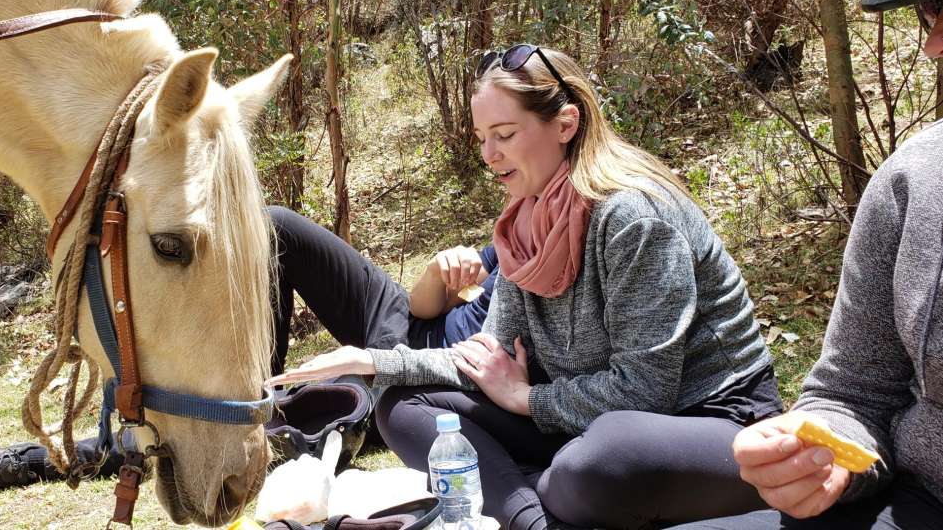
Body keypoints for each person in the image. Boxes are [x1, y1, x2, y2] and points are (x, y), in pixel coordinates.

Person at [268, 44, 782, 530]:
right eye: (482, 138)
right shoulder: (526, 224)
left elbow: (646, 392)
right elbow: (484, 356)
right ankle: (536, 520)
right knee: (403, 404)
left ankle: (541, 494)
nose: (489, 155)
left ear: (565, 123)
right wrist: (374, 362)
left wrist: (525, 398)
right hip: (583, 419)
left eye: (505, 134)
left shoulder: (634, 218)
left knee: (596, 464)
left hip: (708, 420)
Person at [669, 0, 943, 529]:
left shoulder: (634, 218)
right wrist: (823, 455)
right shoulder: (912, 181)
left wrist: (527, 396)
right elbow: (854, 391)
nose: (933, 44)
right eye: (930, 11)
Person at [0, 206, 500, 497]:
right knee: (274, 230)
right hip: (403, 319)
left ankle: (32, 462)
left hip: (431, 377)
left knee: (314, 412)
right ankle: (256, 397)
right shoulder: (520, 224)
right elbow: (427, 308)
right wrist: (436, 276)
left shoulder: (582, 245)